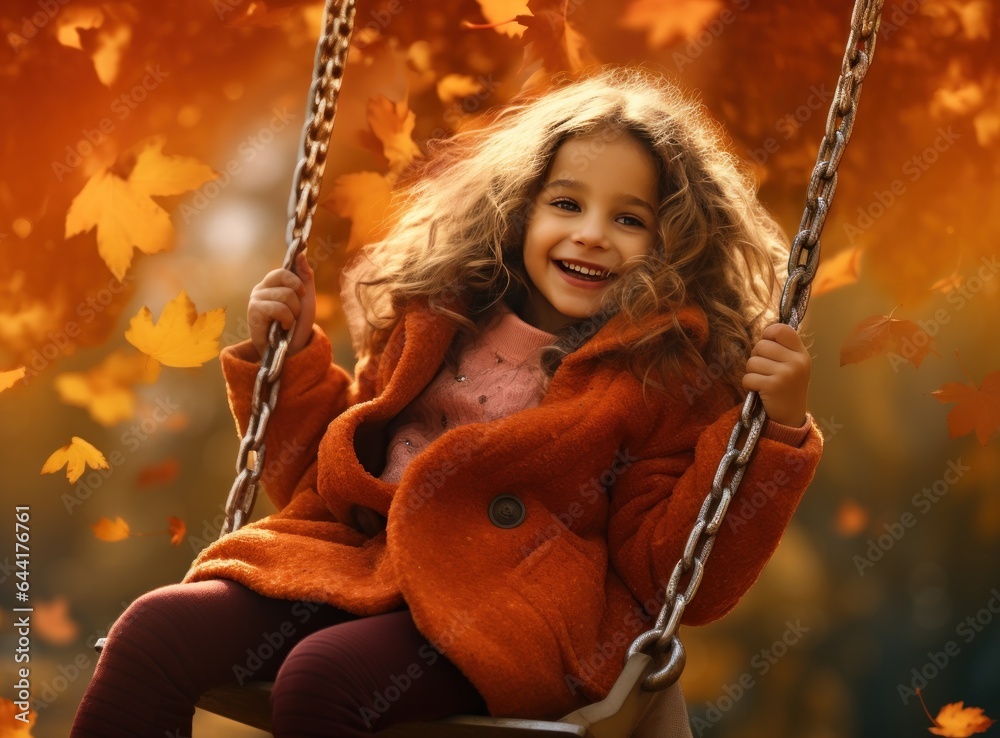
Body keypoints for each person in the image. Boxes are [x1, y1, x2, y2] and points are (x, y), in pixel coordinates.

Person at [71, 64, 823, 737]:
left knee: (321, 679)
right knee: (156, 629)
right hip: (362, 569)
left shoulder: (662, 376)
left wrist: (775, 432)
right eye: (567, 203)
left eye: (630, 219)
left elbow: (670, 572)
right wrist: (292, 358)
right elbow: (321, 478)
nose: (592, 234)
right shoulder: (440, 320)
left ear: (674, 242)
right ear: (521, 208)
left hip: (500, 616)